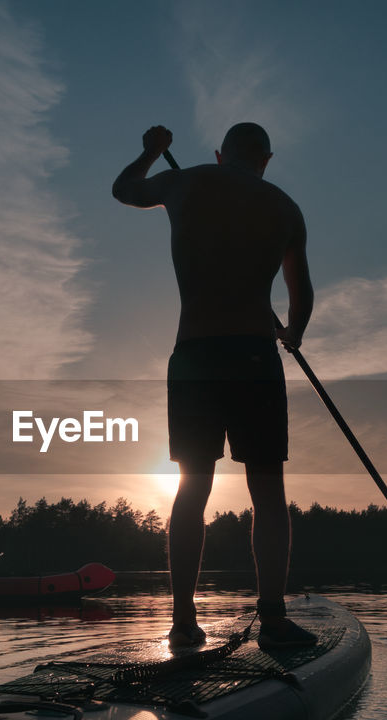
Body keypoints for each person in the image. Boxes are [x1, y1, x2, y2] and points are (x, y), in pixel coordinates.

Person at [112, 122, 318, 651]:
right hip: (254, 355)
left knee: (191, 488)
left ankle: (183, 621)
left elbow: (124, 190)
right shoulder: (286, 207)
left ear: (222, 154)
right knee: (267, 492)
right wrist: (291, 334)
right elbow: (301, 292)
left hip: (195, 355)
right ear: (266, 159)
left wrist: (150, 153)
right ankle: (272, 616)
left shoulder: (188, 182)